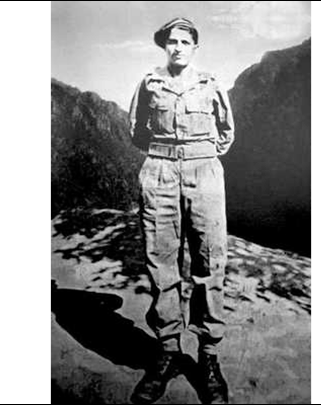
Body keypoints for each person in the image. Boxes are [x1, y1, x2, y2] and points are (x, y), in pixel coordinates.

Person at [128, 17, 234, 404]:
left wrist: (197, 157)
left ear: (194, 47)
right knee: (161, 262)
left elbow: (226, 133)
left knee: (210, 261)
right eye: (171, 41)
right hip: (159, 172)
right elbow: (137, 130)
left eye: (184, 42)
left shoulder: (210, 84)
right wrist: (167, 156)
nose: (177, 47)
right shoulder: (149, 83)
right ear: (164, 46)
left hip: (204, 172)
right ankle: (168, 351)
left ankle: (208, 356)